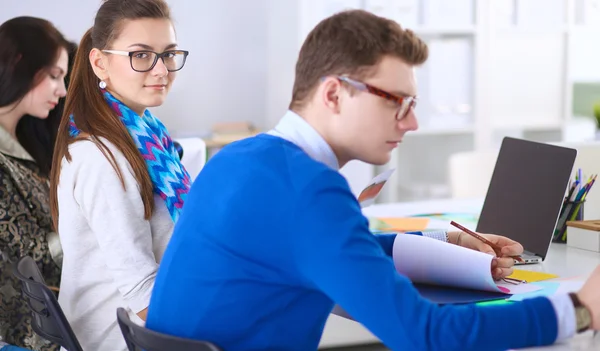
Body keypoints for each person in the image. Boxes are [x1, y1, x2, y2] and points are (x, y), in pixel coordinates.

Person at [147, 9, 600, 351]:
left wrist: (445, 243)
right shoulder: (307, 190)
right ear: (333, 93)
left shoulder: (245, 156)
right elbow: (424, 335)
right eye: (397, 101)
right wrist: (580, 309)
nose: (413, 122)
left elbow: (331, 250)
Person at [48, 0, 190, 349]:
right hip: (121, 338)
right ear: (100, 63)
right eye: (141, 55)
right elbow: (141, 293)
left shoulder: (146, 136)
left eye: (168, 54)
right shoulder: (103, 157)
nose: (161, 70)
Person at [0, 16, 72, 351]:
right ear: (19, 64)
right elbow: (30, 255)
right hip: (24, 337)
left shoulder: (27, 142)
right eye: (55, 75)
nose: (63, 89)